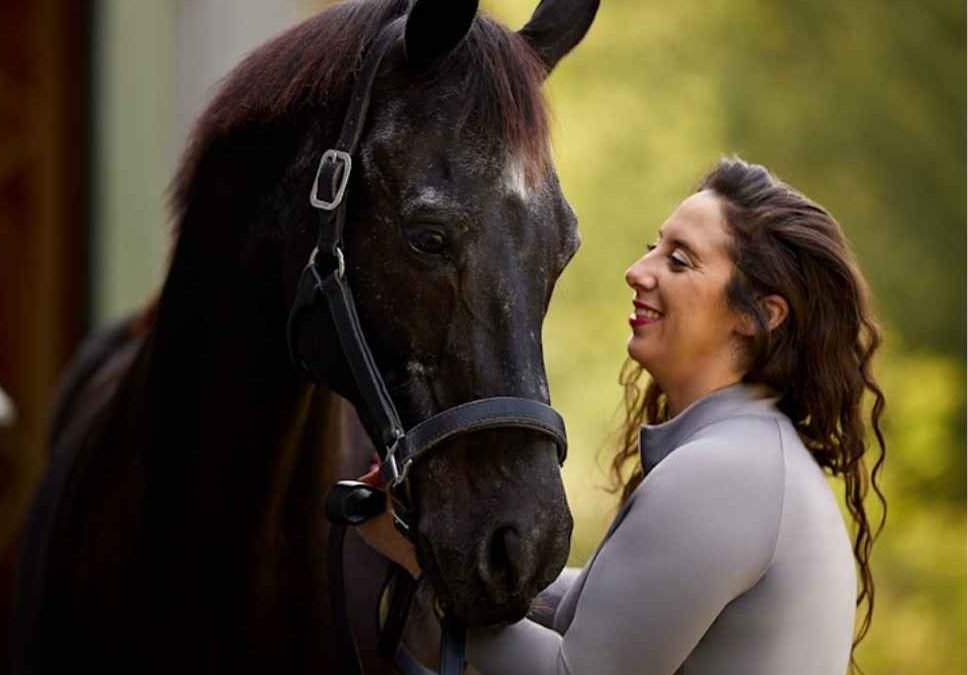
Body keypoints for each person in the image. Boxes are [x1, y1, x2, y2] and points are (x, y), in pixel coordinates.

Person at [356, 157, 886, 675]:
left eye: (679, 261)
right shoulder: (754, 455)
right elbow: (607, 606)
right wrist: (450, 543)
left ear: (759, 315)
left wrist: (426, 562)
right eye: (653, 249)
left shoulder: (726, 474)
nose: (637, 272)